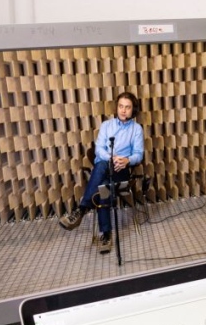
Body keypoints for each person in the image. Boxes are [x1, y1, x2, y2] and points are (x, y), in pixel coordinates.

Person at [60, 91, 144, 247]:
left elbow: (139, 155)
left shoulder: (136, 129)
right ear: (117, 108)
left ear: (133, 110)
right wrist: (111, 158)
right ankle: (105, 234)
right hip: (106, 165)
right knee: (103, 185)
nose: (123, 110)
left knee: (101, 172)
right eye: (120, 106)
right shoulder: (106, 126)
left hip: (122, 170)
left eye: (127, 107)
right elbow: (99, 150)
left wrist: (126, 160)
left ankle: (82, 210)